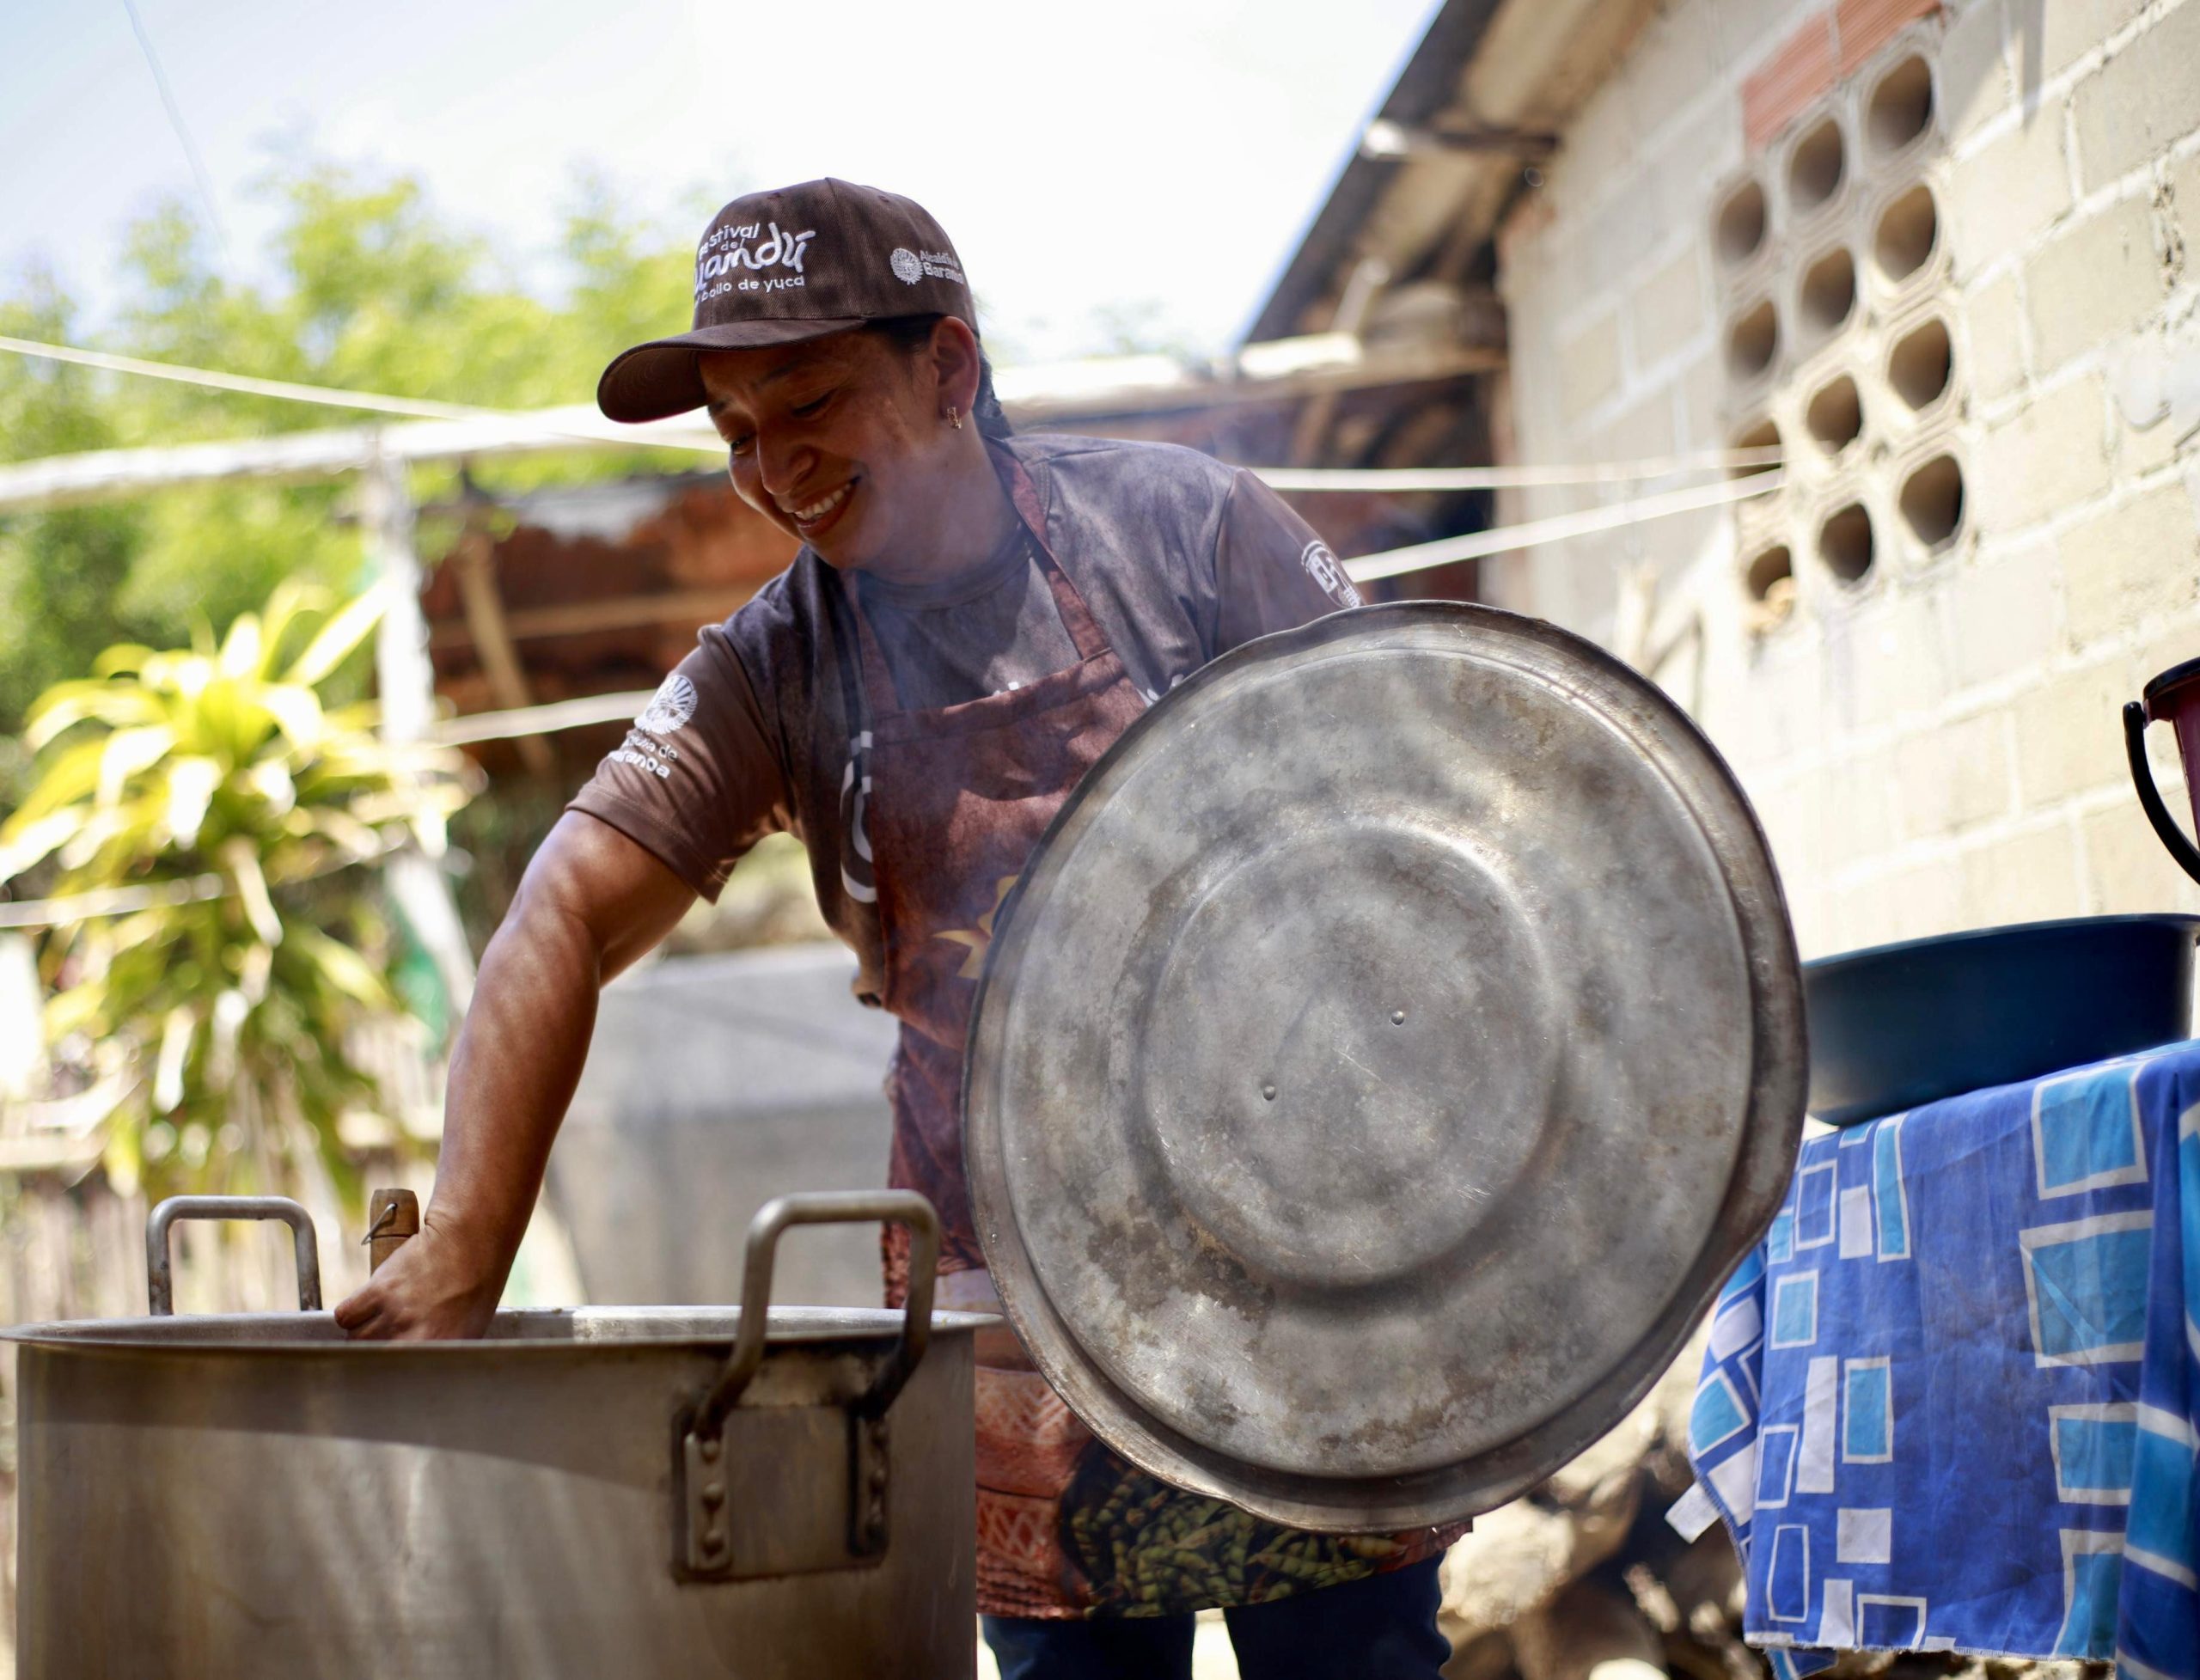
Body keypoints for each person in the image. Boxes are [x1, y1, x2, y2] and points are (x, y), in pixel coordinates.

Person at [334, 178, 1456, 1677]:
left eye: (806, 405)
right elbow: (562, 915)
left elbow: (1432, 806)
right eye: (735, 433)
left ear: (948, 369)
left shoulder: (1188, 531)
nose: (773, 469)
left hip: (1302, 1266)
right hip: (1010, 1316)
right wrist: (467, 1240)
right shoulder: (771, 668)